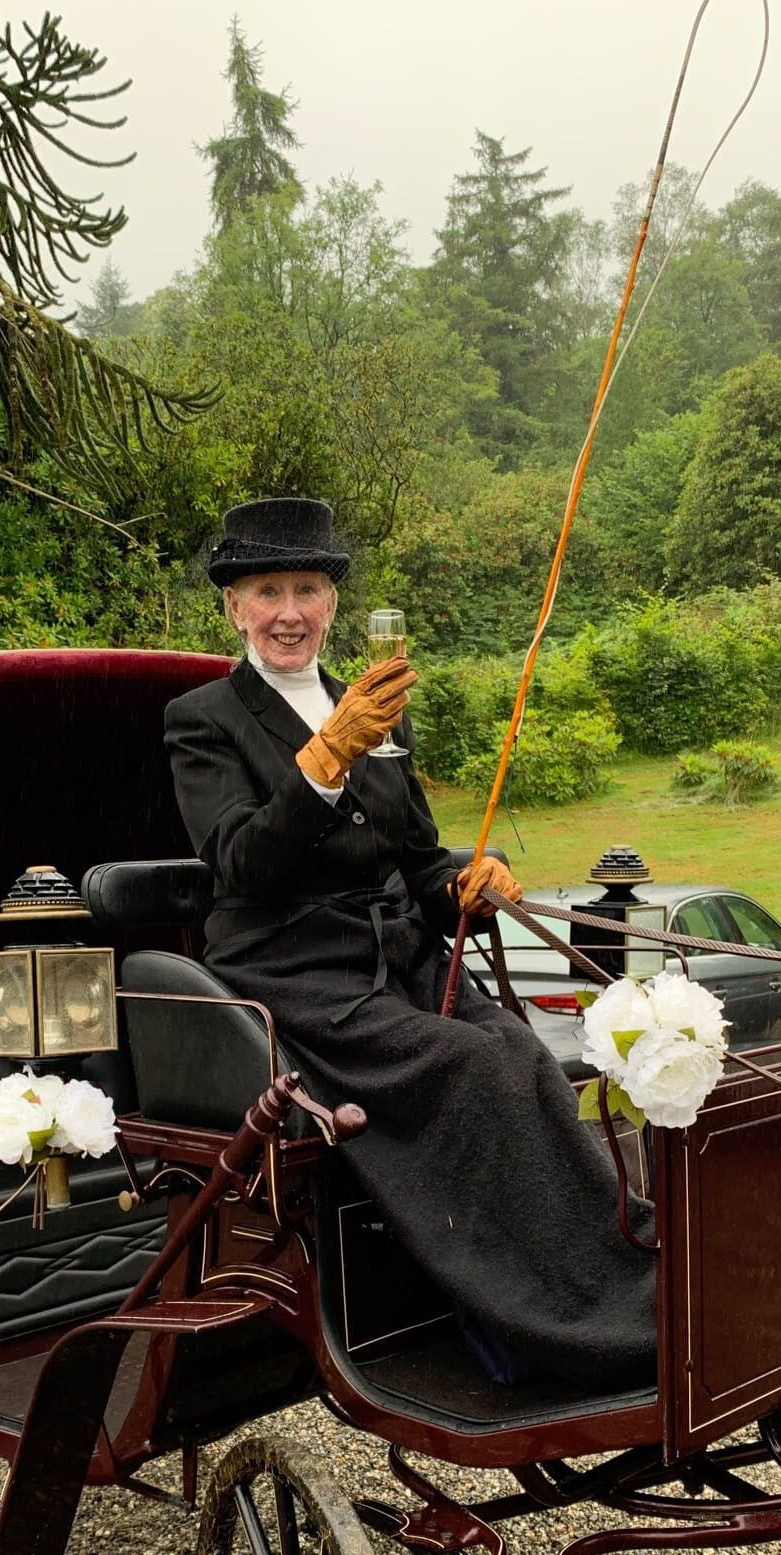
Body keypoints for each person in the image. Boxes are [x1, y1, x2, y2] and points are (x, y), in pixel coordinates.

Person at [163, 496, 654, 1389]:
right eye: (268, 591)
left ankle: (619, 1276)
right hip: (295, 974)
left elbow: (419, 860)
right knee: (474, 1065)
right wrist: (325, 760)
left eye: (307, 590)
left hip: (402, 961)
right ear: (233, 607)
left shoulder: (380, 708)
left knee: (522, 1051)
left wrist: (470, 881)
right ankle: (543, 1322)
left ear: (333, 604)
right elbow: (240, 864)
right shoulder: (203, 719)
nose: (288, 613)